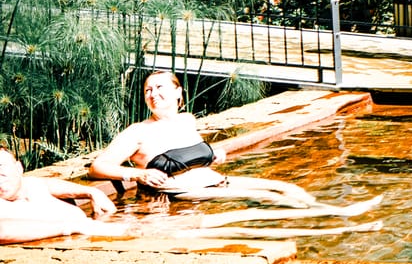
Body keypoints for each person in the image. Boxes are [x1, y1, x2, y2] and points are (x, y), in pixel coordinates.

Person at [89, 71, 378, 211]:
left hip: (217, 180)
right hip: (182, 193)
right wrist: (138, 173)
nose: (153, 94)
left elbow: (192, 154)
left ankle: (330, 213)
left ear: (179, 94)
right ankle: (337, 214)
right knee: (267, 197)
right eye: (148, 90)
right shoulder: (138, 131)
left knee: (286, 186)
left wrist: (213, 154)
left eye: (160, 87)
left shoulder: (187, 121)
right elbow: (97, 167)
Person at [0, 146, 119, 243]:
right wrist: (71, 227)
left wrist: (92, 192)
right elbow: (3, 232)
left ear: (19, 168)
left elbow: (49, 183)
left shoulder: (30, 185)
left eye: (1, 167)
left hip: (98, 235)